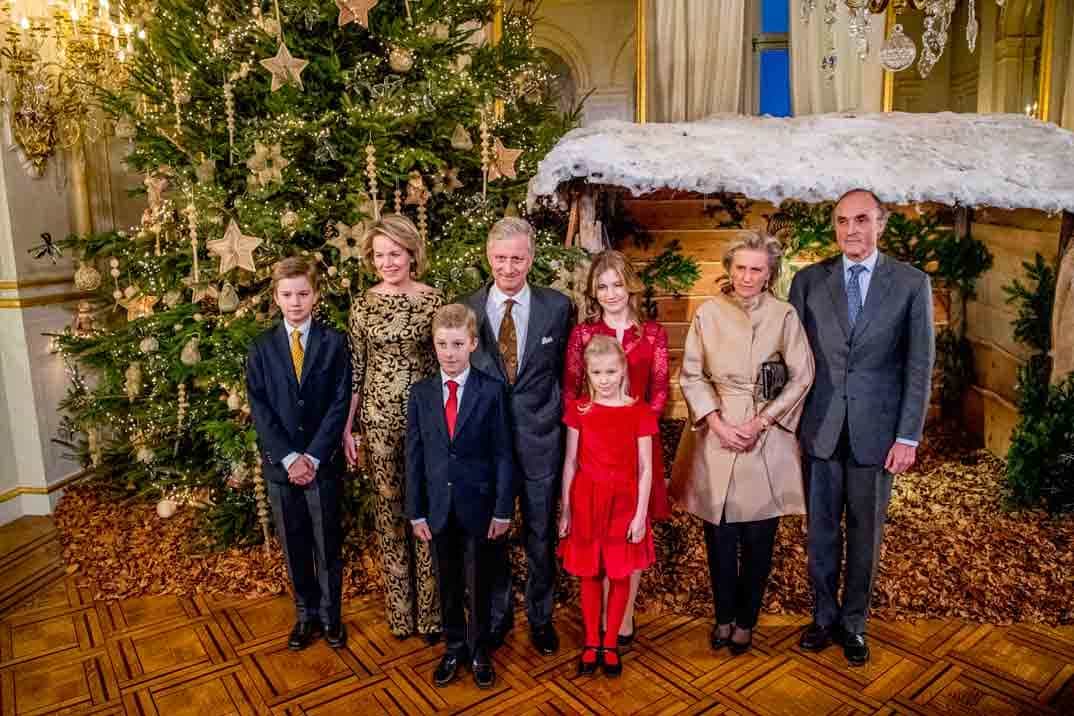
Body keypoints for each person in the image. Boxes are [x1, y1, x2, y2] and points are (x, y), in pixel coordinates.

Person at [789, 189, 934, 666]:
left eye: (861, 219)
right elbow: (792, 359)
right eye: (842, 220)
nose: (851, 229)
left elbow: (919, 364)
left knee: (866, 533)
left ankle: (854, 623)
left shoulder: (911, 285)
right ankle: (823, 617)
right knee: (821, 532)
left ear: (881, 224)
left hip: (878, 432)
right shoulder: (809, 281)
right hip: (821, 428)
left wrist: (908, 435)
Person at [675, 232, 815, 655]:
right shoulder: (708, 313)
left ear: (769, 273)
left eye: (756, 269)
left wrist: (763, 421)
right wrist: (715, 422)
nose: (747, 276)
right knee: (719, 536)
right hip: (716, 434)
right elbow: (692, 373)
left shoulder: (785, 315)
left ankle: (746, 621)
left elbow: (802, 375)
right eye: (740, 267)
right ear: (729, 268)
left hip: (765, 436)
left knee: (758, 535)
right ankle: (722, 617)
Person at [464, 217, 573, 656]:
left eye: (518, 258)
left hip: (540, 439)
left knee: (541, 533)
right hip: (487, 445)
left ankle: (541, 617)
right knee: (492, 533)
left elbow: (567, 373)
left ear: (531, 259)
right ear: (488, 257)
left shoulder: (557, 307)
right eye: (501, 258)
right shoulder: (467, 308)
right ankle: (497, 615)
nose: (508, 267)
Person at [343, 214, 443, 641]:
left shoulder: (434, 301)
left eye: (395, 254)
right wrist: (349, 429)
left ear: (411, 254)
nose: (388, 262)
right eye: (380, 255)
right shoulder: (362, 305)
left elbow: (448, 362)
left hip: (427, 424)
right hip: (379, 423)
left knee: (427, 513)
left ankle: (432, 613)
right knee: (390, 515)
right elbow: (356, 370)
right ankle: (401, 614)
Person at [562, 249, 670, 646]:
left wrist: (633, 424)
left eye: (617, 285)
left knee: (630, 531)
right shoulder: (583, 335)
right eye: (602, 286)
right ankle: (601, 617)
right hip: (594, 448)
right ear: (594, 291)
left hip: (637, 443)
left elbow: (659, 391)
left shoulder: (653, 334)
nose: (610, 293)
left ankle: (623, 617)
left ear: (630, 286)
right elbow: (572, 389)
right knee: (597, 529)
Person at [246, 257, 353, 651]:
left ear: (316, 295)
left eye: (303, 294)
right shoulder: (261, 348)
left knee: (327, 545)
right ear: (276, 297)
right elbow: (259, 407)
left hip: (322, 465)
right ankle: (305, 616)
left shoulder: (334, 342)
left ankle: (331, 617)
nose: (295, 302)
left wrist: (314, 456)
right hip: (282, 468)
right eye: (287, 295)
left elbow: (340, 401)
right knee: (294, 544)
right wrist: (291, 458)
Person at [406, 304, 514, 689]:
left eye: (456, 344)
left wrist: (503, 509)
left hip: (481, 507)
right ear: (433, 345)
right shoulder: (420, 394)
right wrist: (416, 511)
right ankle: (453, 646)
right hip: (438, 508)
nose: (448, 353)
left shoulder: (492, 391)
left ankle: (480, 649)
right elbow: (414, 455)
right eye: (441, 344)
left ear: (472, 344)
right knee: (448, 581)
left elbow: (503, 453)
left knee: (479, 581)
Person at [558, 335, 656, 677]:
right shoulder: (579, 410)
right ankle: (591, 641)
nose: (604, 379)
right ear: (587, 373)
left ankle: (611, 642)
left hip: (624, 503)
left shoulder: (638, 410)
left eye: (611, 371)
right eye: (597, 372)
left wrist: (641, 514)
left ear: (623, 369)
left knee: (618, 572)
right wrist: (567, 509)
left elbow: (646, 468)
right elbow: (570, 462)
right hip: (586, 500)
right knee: (590, 572)